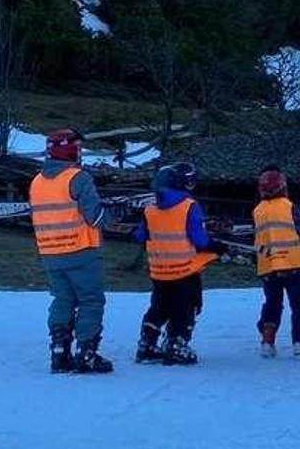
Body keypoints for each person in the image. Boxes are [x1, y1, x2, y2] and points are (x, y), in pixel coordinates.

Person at [31, 129, 114, 374]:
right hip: (81, 250)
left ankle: (59, 351)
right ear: (70, 151)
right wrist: (115, 213)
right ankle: (86, 353)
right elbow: (95, 217)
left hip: (50, 253)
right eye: (78, 148)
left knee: (62, 299)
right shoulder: (78, 177)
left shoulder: (37, 181)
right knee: (90, 300)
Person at [134, 163, 225, 365]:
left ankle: (147, 344)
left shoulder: (150, 208)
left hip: (159, 271)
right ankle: (177, 343)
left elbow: (140, 235)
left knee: (159, 307)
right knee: (187, 307)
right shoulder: (189, 206)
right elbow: (199, 240)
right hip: (185, 270)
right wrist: (215, 246)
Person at [253, 168, 300, 358]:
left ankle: (267, 343)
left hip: (268, 265)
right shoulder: (289, 206)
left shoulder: (257, 210)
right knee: (298, 305)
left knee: (273, 304)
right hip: (291, 263)